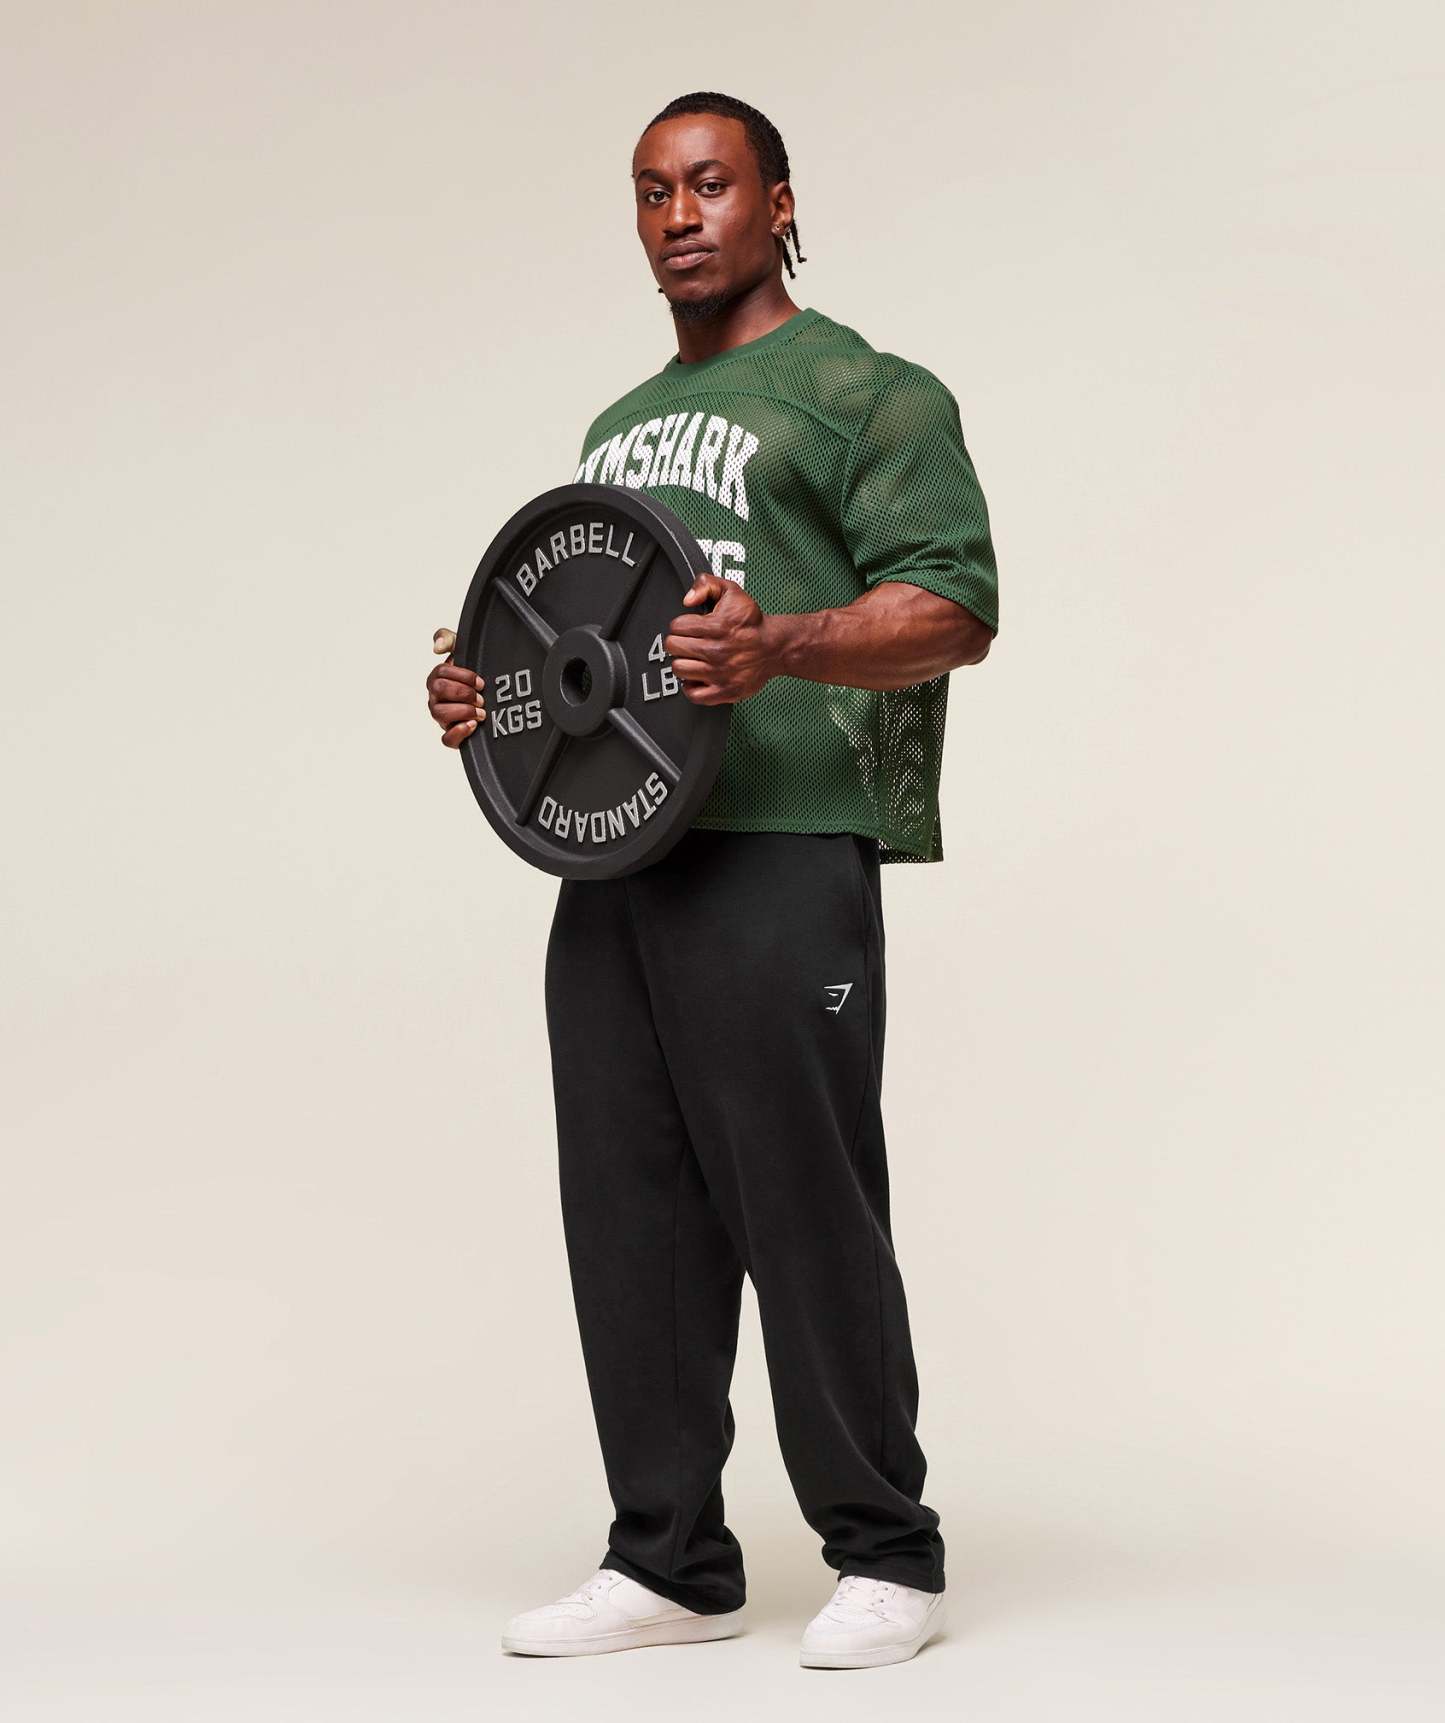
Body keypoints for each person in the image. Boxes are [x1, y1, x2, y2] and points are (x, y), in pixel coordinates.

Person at [426, 91, 999, 1670]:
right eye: (650, 193)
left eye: (709, 185)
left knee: (804, 1200)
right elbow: (587, 644)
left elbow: (953, 607)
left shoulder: (867, 393)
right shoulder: (615, 428)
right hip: (614, 860)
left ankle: (885, 1551)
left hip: (782, 846)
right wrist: (496, 697)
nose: (678, 218)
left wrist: (784, 642)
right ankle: (668, 1560)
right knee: (628, 1210)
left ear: (776, 201)